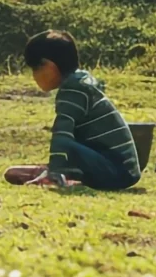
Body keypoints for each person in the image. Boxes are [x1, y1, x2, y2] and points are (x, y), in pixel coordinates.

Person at [19, 30, 142, 191]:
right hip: (121, 169)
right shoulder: (80, 83)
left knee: (63, 142)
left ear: (49, 66)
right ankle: (62, 173)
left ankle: (57, 174)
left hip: (116, 172)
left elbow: (62, 133)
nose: (34, 76)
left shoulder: (72, 91)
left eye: (35, 69)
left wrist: (55, 170)